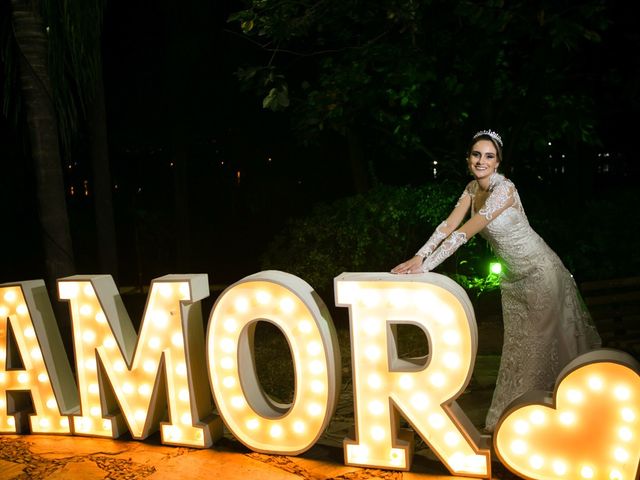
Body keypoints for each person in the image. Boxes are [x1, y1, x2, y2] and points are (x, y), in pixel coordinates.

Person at [391, 130, 601, 432]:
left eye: (489, 156)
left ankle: (534, 420)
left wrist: (426, 267)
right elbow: (448, 225)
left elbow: (466, 232)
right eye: (476, 154)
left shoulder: (505, 190)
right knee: (518, 348)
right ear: (468, 159)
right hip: (513, 280)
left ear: (498, 162)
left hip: (541, 273)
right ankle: (519, 416)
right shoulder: (471, 189)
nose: (481, 161)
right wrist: (418, 258)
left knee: (541, 348)